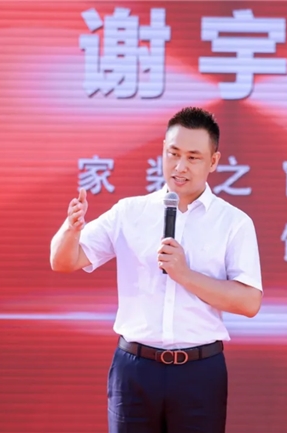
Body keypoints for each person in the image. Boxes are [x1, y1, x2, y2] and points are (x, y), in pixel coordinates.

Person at [49, 107, 263, 433]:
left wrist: (186, 275)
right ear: (163, 149)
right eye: (173, 153)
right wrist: (71, 229)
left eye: (193, 157)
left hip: (199, 372)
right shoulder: (129, 212)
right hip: (135, 369)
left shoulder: (234, 222)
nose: (180, 166)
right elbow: (63, 261)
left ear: (213, 161)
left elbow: (249, 302)